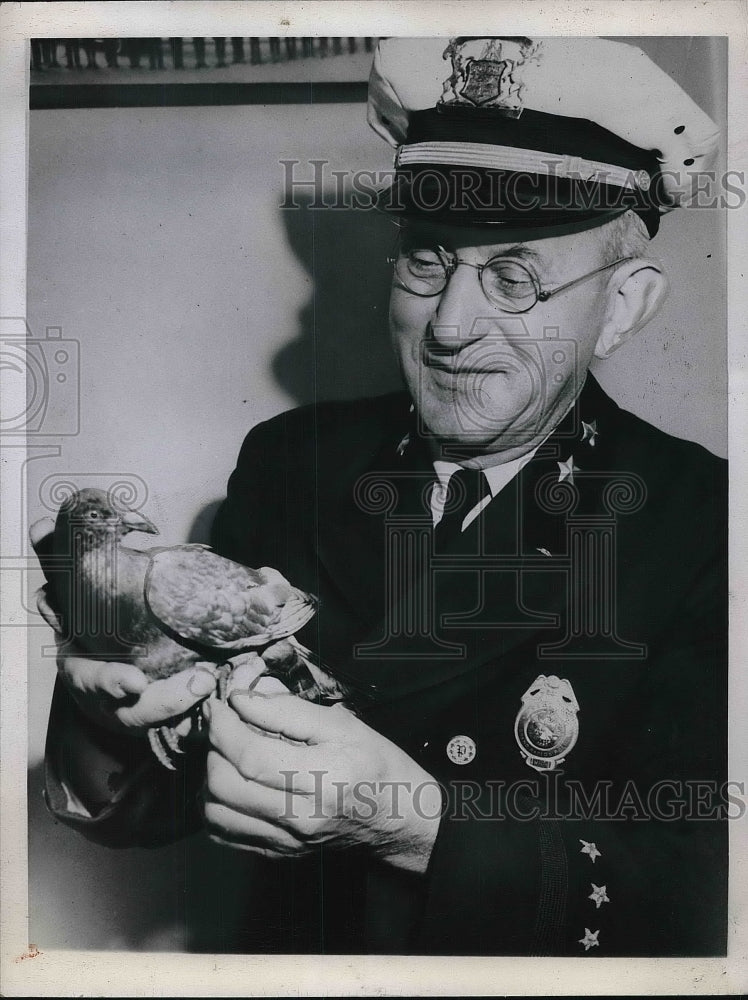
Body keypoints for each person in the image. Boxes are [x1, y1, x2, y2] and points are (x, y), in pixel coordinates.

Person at [36, 37, 727, 956]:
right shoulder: (292, 463)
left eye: (514, 277)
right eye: (428, 260)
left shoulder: (706, 522)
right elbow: (157, 810)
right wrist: (104, 707)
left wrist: (421, 831)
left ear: (627, 306)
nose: (449, 325)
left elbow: (707, 890)